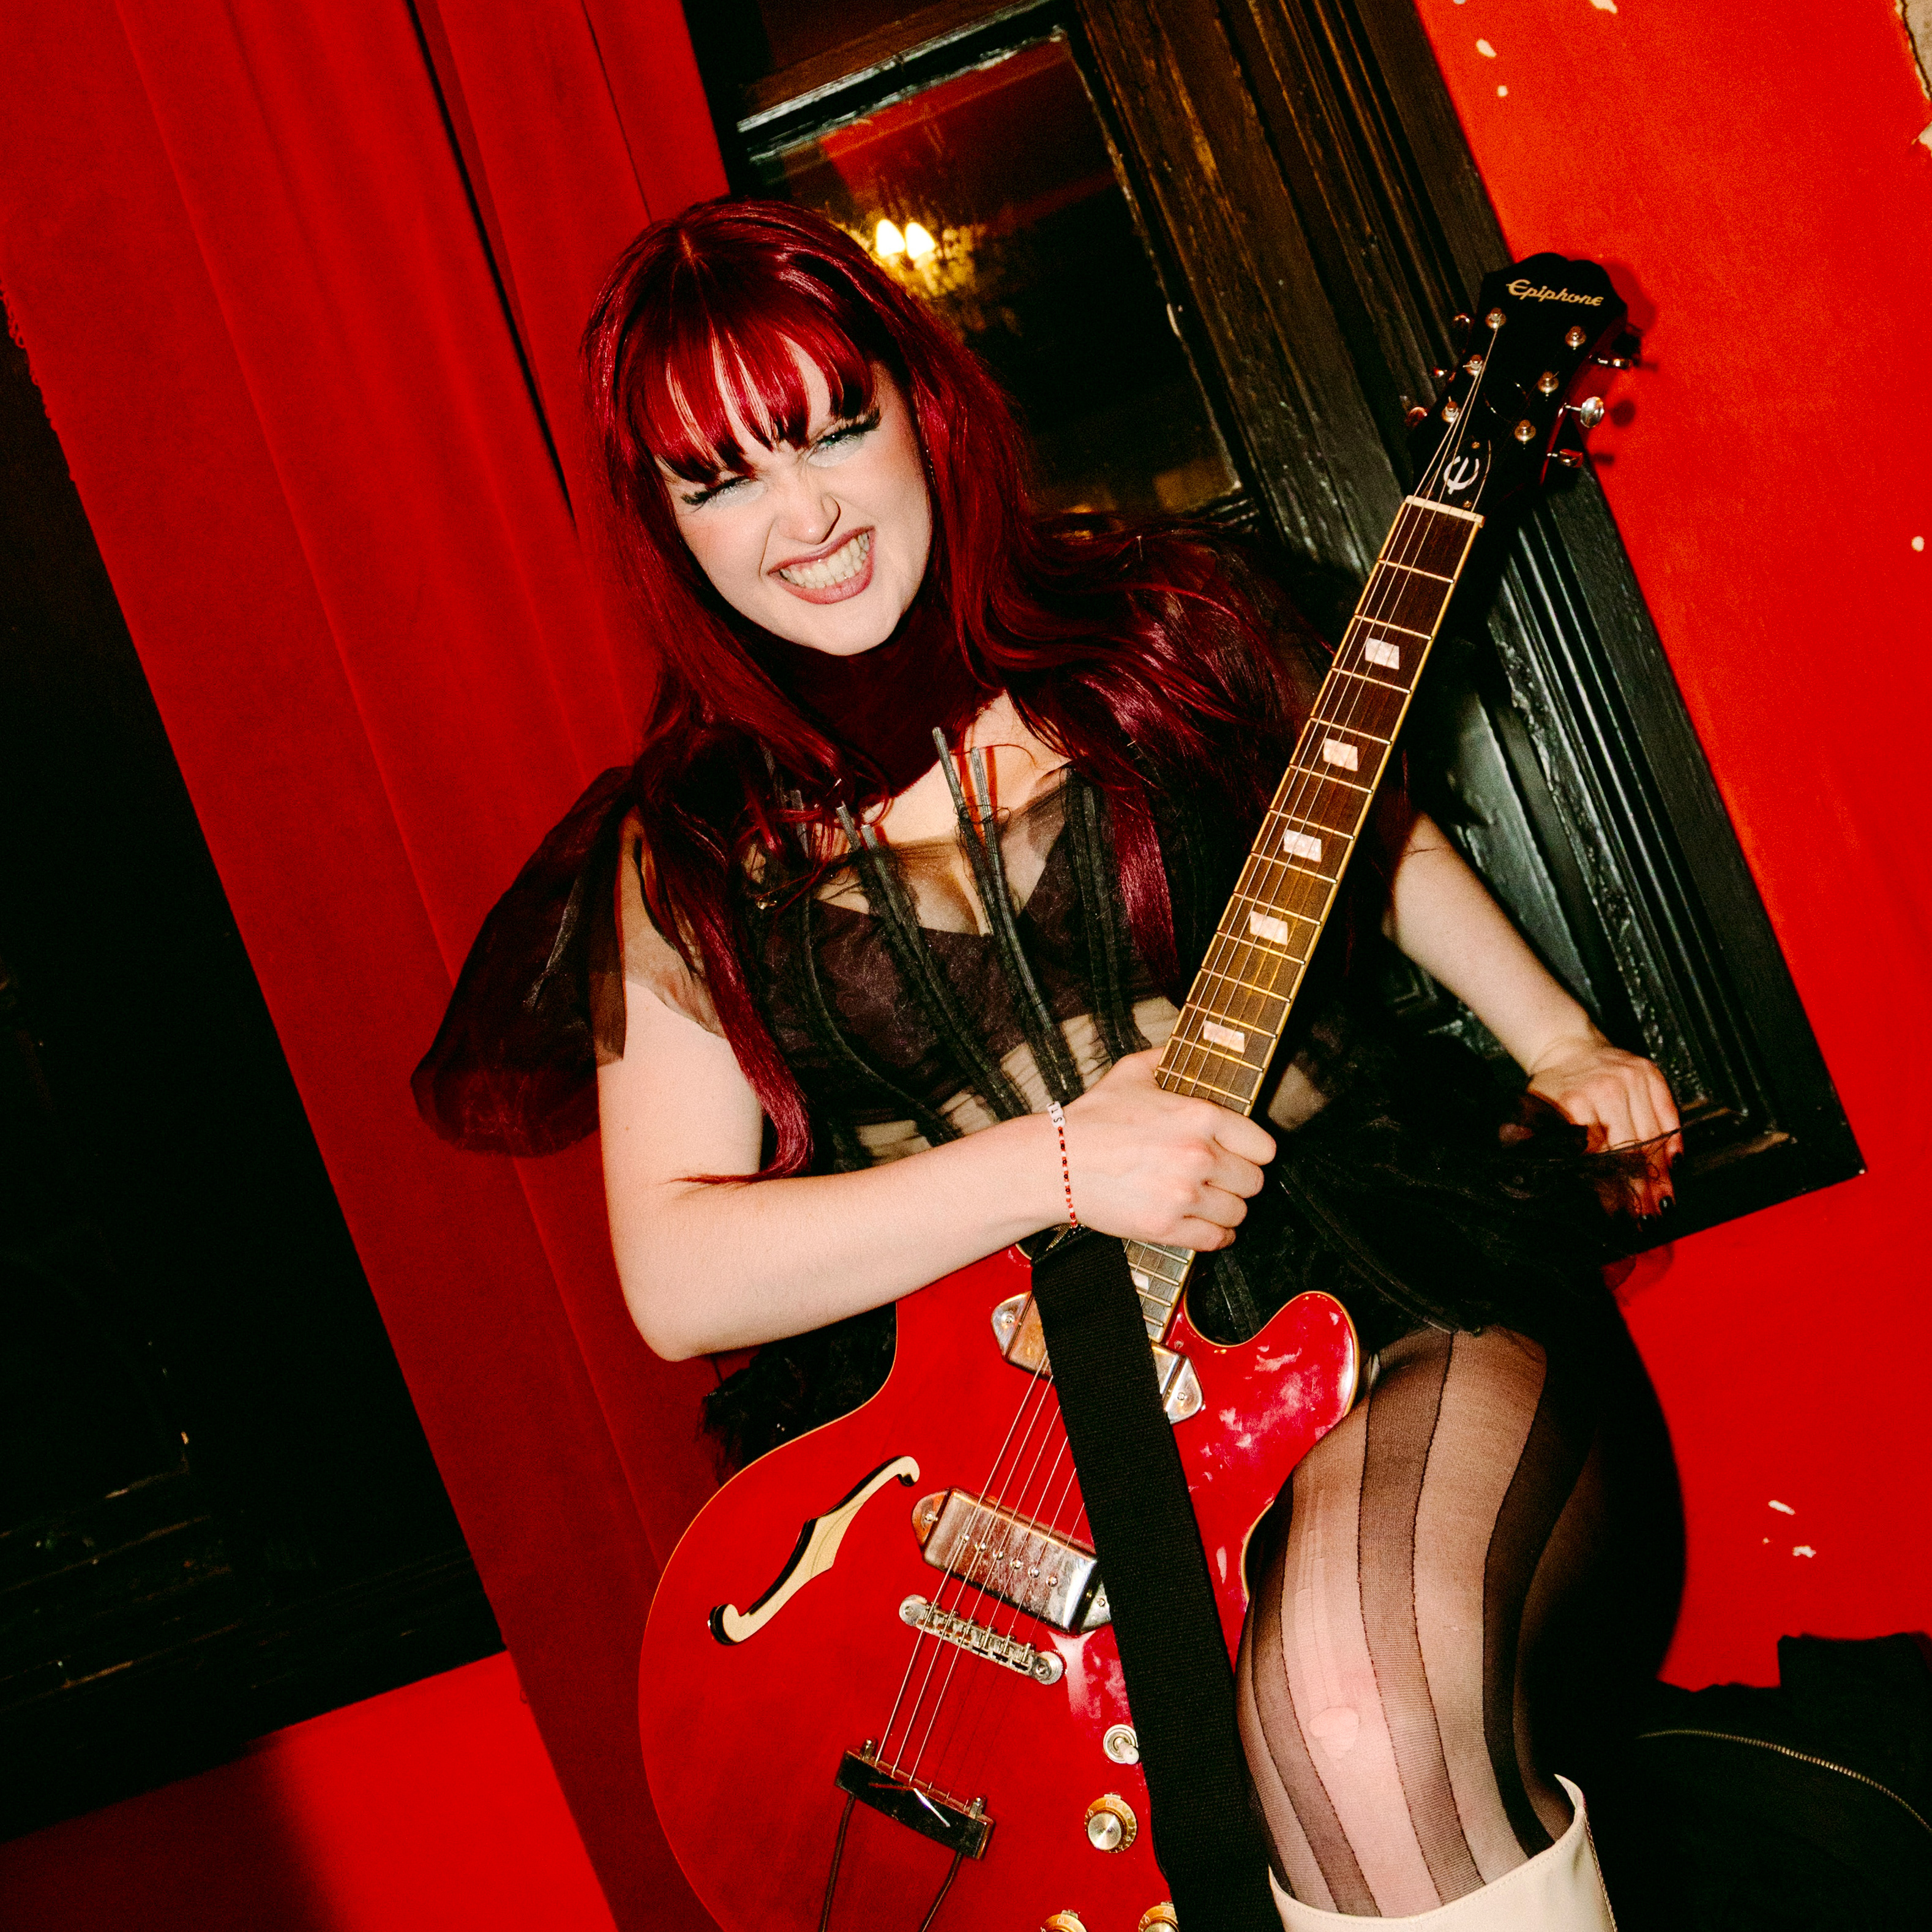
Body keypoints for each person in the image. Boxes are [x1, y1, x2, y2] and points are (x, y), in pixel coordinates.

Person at [416, 198, 1683, 1926]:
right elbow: (678, 1275)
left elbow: (1357, 838)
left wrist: (1559, 1034)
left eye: (830, 430)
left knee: (1354, 1709)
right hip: (994, 1428)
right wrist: (1058, 1163)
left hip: (1371, 1286)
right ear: (662, 522)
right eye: (719, 480)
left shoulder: (1164, 630)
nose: (802, 520)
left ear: (921, 407)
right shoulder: (687, 850)